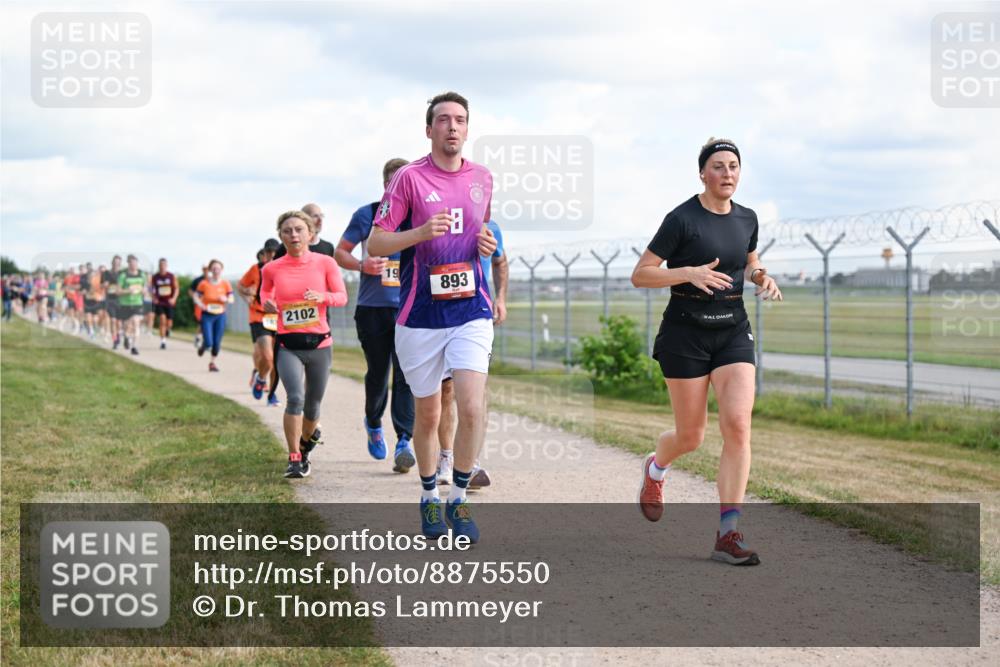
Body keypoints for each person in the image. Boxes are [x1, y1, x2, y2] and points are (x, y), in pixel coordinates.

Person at [631, 137, 783, 566]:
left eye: (733, 166)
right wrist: (688, 273)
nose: (727, 173)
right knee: (691, 436)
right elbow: (641, 274)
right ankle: (655, 468)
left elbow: (748, 260)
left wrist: (761, 276)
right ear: (703, 173)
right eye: (718, 166)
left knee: (737, 426)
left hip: (733, 329)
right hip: (685, 334)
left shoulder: (748, 218)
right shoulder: (681, 219)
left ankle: (728, 535)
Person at [367, 91, 498, 543]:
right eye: (443, 120)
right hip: (420, 314)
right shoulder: (407, 179)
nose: (453, 127)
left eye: (460, 120)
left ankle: (457, 498)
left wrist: (487, 247)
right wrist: (419, 233)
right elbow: (376, 244)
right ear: (429, 129)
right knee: (427, 415)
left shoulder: (483, 178)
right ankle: (428, 497)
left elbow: (482, 233)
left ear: (467, 127)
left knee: (472, 405)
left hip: (471, 309)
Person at [336, 158, 416, 471]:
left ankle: (404, 440)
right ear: (386, 185)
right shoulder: (367, 215)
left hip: (410, 308)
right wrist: (361, 265)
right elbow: (340, 252)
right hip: (373, 309)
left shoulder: (418, 217)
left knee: (407, 376)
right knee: (378, 372)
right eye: (397, 182)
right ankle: (373, 421)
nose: (403, 188)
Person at [261, 210, 348, 478]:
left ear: (310, 234)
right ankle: (294, 458)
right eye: (287, 231)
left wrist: (322, 297)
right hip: (289, 345)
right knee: (295, 398)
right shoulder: (272, 268)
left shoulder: (325, 263)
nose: (293, 235)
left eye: (299, 229)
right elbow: (265, 293)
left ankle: (305, 446)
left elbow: (342, 297)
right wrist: (268, 304)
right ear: (281, 237)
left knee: (312, 406)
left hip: (320, 344)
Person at [437, 218, 508, 488]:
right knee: (444, 391)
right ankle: (445, 457)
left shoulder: (490, 225)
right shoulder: (437, 219)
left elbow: (501, 261)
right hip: (437, 316)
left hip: (475, 316)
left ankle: (470, 462)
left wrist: (500, 298)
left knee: (476, 393)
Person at [238, 239, 281, 403]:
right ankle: (261, 379)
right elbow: (241, 286)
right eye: (269, 252)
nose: (271, 255)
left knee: (276, 360)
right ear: (264, 253)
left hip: (278, 318)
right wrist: (246, 296)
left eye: (275, 252)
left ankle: (271, 394)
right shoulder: (256, 269)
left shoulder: (284, 269)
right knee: (267, 357)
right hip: (259, 316)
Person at [192, 259, 233, 372]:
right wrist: (201, 304)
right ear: (210, 270)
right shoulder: (204, 283)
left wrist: (226, 298)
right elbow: (195, 296)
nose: (216, 271)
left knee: (217, 342)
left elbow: (231, 298)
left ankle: (212, 363)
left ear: (221, 270)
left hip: (220, 315)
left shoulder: (225, 283)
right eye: (214, 268)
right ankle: (204, 346)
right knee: (209, 342)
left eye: (218, 268)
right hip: (207, 315)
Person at [117, 255, 147, 356]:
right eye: (131, 263)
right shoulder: (123, 276)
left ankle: (134, 347)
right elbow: (118, 291)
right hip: (125, 304)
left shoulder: (142, 275)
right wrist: (128, 291)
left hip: (137, 303)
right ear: (128, 264)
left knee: (136, 322)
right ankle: (126, 337)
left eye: (135, 263)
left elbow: (145, 288)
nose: (134, 265)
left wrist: (144, 291)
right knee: (127, 326)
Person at [150, 258, 178, 349]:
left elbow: (177, 288)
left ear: (166, 266)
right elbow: (150, 289)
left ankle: (168, 330)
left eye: (164, 265)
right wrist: (153, 298)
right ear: (159, 266)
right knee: (162, 319)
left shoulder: (171, 276)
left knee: (169, 323)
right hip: (159, 302)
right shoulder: (155, 277)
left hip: (169, 302)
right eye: (161, 265)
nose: (162, 266)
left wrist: (173, 298)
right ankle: (163, 341)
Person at [104, 256, 124, 349]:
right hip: (110, 300)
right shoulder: (106, 273)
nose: (116, 264)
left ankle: (119, 335)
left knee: (119, 322)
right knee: (113, 320)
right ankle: (115, 340)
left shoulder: (123, 273)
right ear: (112, 263)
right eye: (115, 262)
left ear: (120, 263)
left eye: (118, 262)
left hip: (120, 300)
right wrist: (105, 285)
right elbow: (102, 284)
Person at [189, 265, 209, 352]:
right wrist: (195, 298)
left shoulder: (212, 280)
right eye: (205, 269)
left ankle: (204, 341)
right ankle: (199, 338)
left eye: (208, 269)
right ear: (202, 270)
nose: (206, 271)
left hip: (209, 305)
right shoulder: (198, 280)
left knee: (207, 323)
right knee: (202, 322)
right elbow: (190, 290)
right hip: (200, 305)